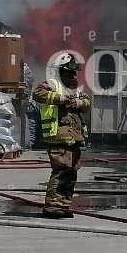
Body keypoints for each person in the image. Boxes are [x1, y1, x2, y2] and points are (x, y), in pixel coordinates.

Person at [33, 53, 90, 218]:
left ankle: (63, 206)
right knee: (61, 171)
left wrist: (79, 102)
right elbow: (37, 94)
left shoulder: (75, 88)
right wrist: (60, 99)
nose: (73, 75)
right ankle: (52, 208)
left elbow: (86, 102)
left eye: (74, 73)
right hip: (58, 136)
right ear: (61, 71)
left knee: (71, 173)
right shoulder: (52, 84)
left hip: (74, 138)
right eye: (70, 72)